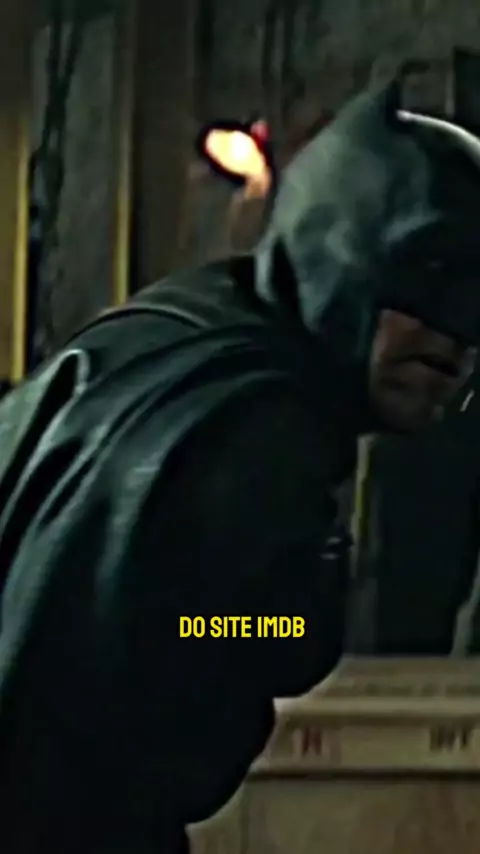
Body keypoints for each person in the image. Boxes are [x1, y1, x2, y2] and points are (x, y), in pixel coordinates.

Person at [0, 79, 478, 853]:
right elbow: (193, 635)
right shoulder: (260, 434)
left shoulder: (165, 330)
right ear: (344, 249)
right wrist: (292, 624)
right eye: (428, 282)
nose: (453, 342)